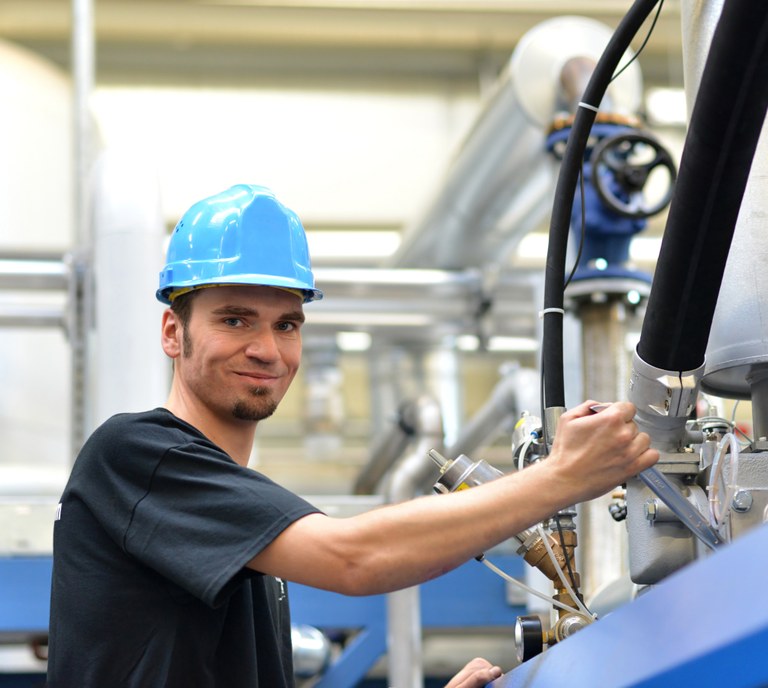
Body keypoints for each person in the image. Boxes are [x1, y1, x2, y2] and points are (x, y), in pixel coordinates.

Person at [47, 184, 658, 688]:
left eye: (286, 324)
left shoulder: (242, 539)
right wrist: (560, 479)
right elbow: (354, 559)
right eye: (234, 319)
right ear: (172, 333)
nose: (266, 349)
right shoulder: (135, 455)